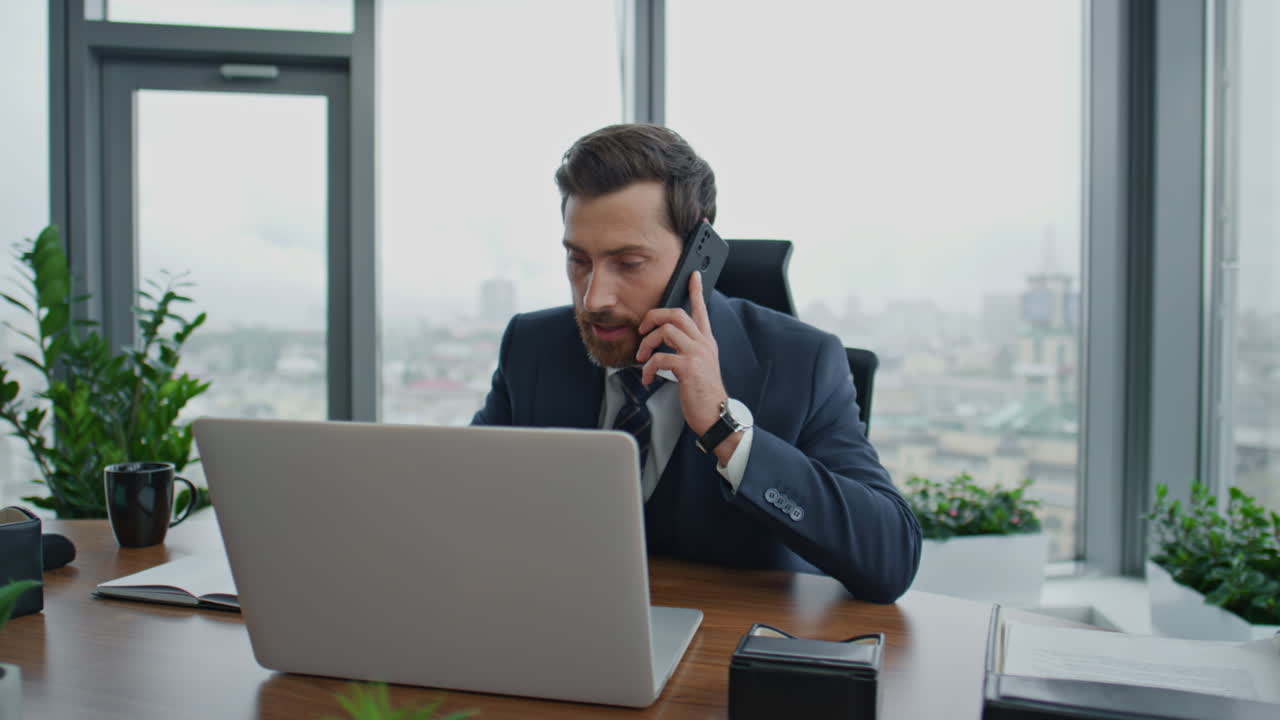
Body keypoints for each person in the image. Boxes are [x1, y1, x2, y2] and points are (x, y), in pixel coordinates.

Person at [473, 124, 921, 603]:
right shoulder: (531, 347)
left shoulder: (804, 363)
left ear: (696, 257)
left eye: (628, 263)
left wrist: (726, 430)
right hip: (563, 634)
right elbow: (459, 498)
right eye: (579, 260)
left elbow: (890, 558)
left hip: (724, 655)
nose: (594, 297)